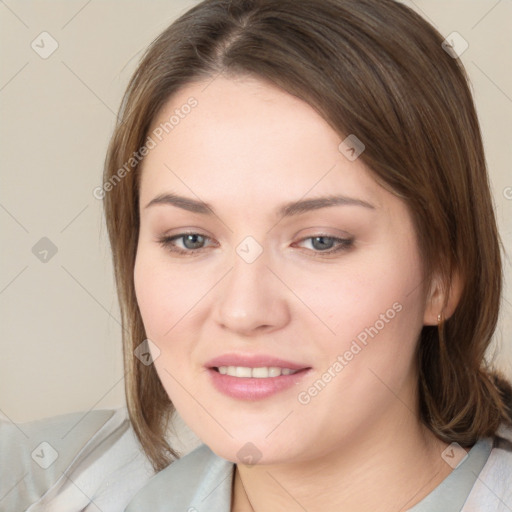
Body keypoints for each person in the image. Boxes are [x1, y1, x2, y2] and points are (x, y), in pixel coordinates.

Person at [2, 0, 511, 511]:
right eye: (190, 239)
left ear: (443, 274)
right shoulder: (36, 485)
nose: (244, 311)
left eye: (321, 241)